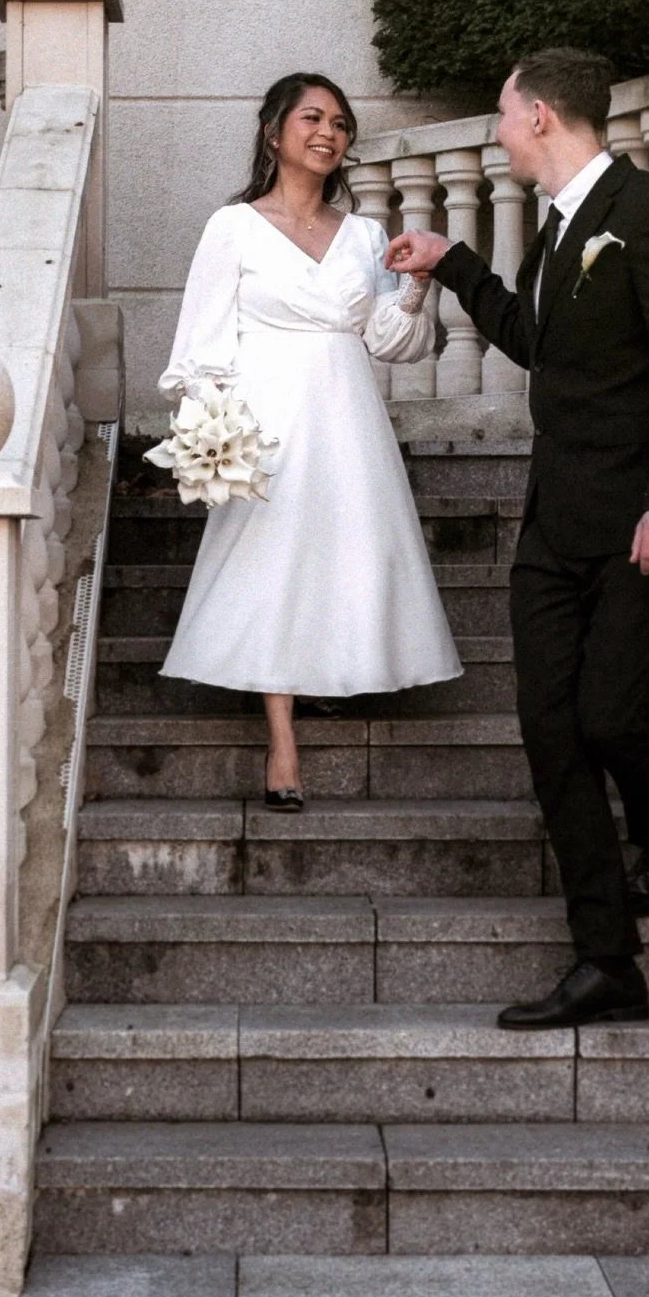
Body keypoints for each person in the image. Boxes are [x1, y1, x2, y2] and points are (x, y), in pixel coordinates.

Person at [386, 47, 649, 1027]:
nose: (496, 131)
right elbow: (539, 342)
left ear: (541, 115)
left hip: (642, 521)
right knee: (550, 728)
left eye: (502, 114)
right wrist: (451, 263)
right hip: (554, 523)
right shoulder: (556, 228)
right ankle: (606, 960)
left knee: (608, 717)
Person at [157, 72, 462, 808]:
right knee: (271, 564)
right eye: (313, 118)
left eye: (341, 123)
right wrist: (217, 432)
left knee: (345, 553)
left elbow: (391, 341)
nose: (329, 132)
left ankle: (335, 669)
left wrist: (417, 283)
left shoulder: (362, 234)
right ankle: (282, 741)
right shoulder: (231, 226)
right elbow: (201, 343)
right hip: (267, 416)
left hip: (348, 412)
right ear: (275, 133)